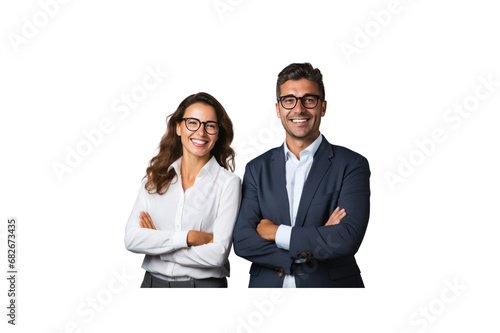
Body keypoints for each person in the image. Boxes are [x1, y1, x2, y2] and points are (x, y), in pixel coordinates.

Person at [233, 63, 370, 288]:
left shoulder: (352, 164)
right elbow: (243, 241)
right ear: (278, 109)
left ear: (322, 107)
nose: (299, 109)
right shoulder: (257, 168)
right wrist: (318, 238)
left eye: (309, 99)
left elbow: (345, 239)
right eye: (289, 100)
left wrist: (274, 232)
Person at [125, 92, 241, 288]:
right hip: (152, 285)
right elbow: (132, 239)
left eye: (210, 125)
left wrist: (158, 246)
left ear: (218, 133)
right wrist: (189, 238)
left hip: (204, 287)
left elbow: (217, 255)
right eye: (193, 122)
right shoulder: (156, 178)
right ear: (178, 127)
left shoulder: (228, 183)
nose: (201, 132)